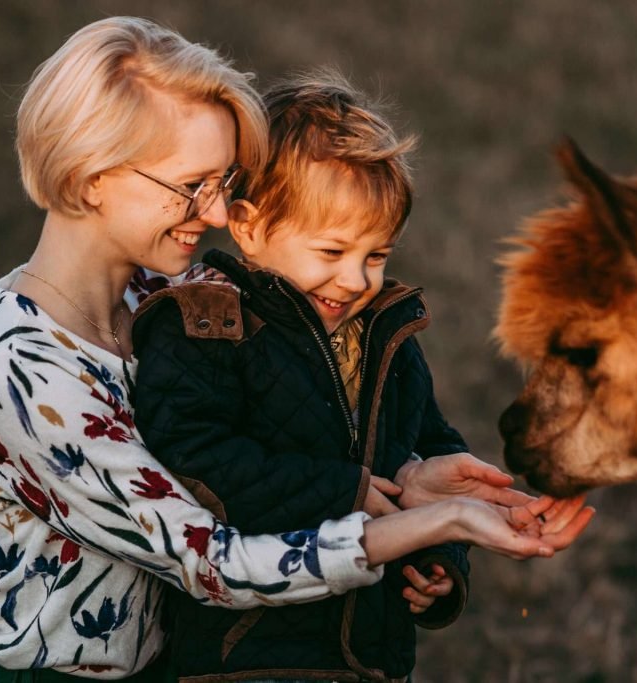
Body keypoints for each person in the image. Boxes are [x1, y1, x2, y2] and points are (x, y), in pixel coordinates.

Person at [0, 17, 592, 682]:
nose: (220, 213)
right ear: (91, 177)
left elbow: (284, 437)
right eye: (191, 187)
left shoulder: (174, 304)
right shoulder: (14, 369)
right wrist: (424, 522)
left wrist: (409, 474)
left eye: (222, 185)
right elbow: (211, 562)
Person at [130, 71, 593, 682]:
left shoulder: (384, 334)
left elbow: (427, 448)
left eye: (376, 256)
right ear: (249, 226)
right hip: (246, 658)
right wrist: (342, 492)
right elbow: (193, 464)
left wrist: (440, 557)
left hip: (366, 657)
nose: (356, 280)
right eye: (331, 252)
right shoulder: (205, 327)